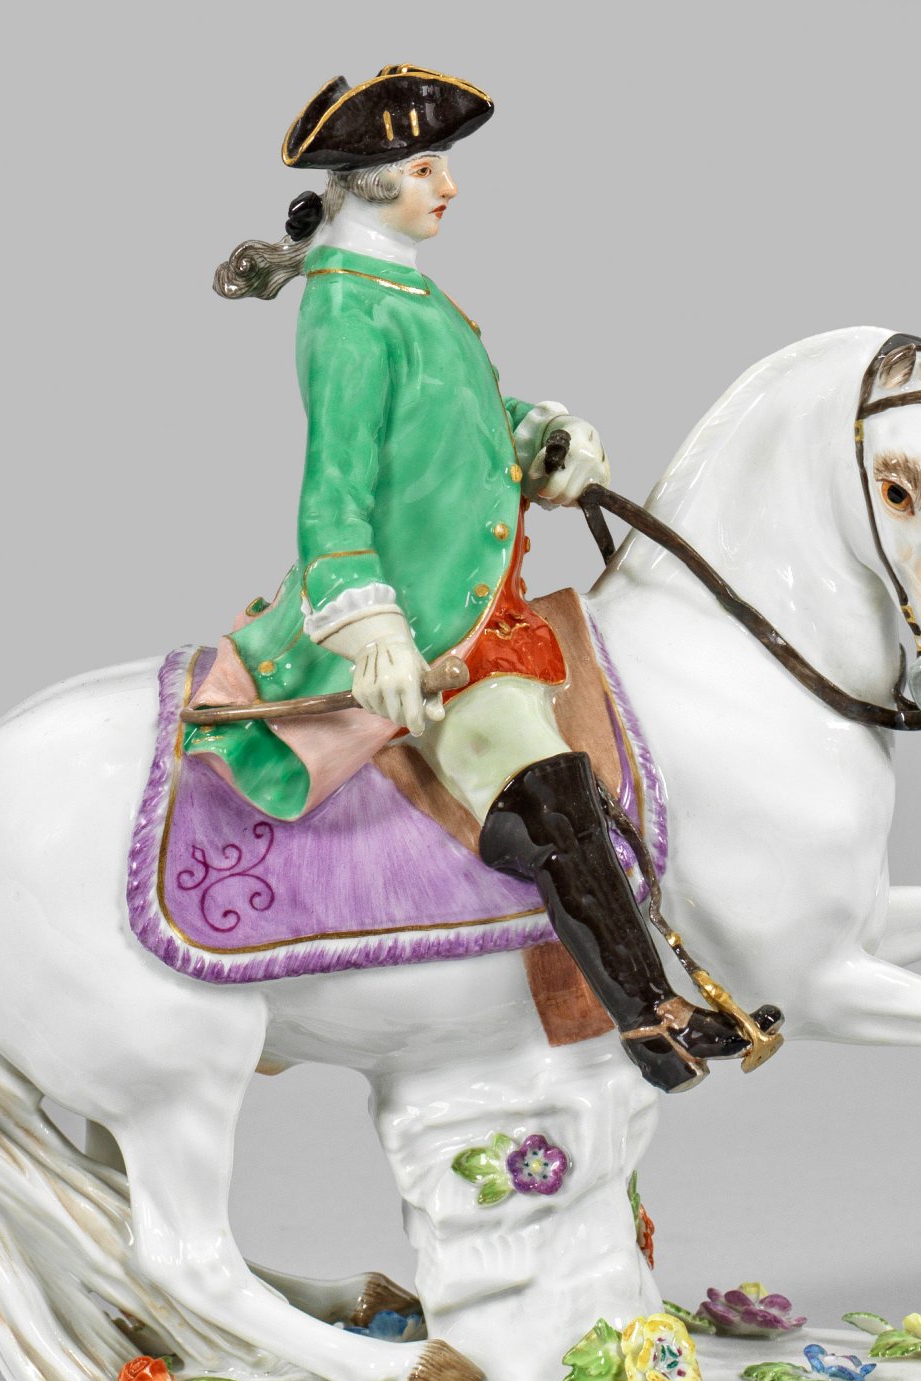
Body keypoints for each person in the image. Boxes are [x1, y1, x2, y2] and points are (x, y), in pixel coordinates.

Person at [187, 64, 779, 1091]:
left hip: (478, 596)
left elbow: (460, 428)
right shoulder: (346, 313)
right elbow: (333, 496)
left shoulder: (408, 294)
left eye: (443, 166)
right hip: (426, 622)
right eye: (428, 168)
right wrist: (372, 630)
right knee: (548, 787)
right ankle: (654, 1020)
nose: (448, 187)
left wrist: (541, 436)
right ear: (372, 180)